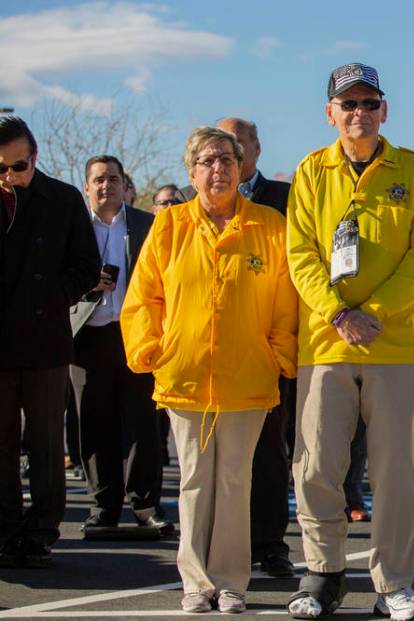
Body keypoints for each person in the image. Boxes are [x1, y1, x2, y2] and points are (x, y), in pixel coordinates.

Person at [121, 126, 298, 614]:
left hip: (249, 376)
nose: (217, 168)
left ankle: (231, 581)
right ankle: (195, 582)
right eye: (206, 160)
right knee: (195, 480)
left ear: (242, 167)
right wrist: (151, 350)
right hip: (185, 375)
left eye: (226, 159)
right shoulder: (170, 224)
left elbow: (286, 301)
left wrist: (280, 354)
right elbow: (143, 297)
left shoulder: (270, 224)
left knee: (235, 482)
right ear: (190, 171)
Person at [286, 63, 414, 621]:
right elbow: (299, 254)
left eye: (369, 103)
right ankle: (322, 575)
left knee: (395, 467)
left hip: (393, 345)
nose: (359, 113)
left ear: (385, 110)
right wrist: (338, 312)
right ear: (330, 113)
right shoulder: (310, 171)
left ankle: (394, 583)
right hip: (327, 344)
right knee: (318, 464)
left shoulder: (413, 170)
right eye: (347, 104)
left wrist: (371, 312)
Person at [0, 116, 101, 568]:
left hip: (44, 340)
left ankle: (41, 530)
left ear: (34, 158)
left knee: (44, 441)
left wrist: (53, 296)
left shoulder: (62, 199)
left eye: (17, 167)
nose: (8, 177)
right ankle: (4, 527)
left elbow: (86, 264)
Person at [70, 155, 172, 537]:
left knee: (143, 425)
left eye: (113, 179)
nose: (105, 186)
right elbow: (57, 276)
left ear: (124, 185)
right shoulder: (74, 227)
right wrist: (85, 283)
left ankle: (146, 505)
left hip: (136, 336)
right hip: (88, 335)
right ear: (87, 187)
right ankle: (103, 507)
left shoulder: (146, 224)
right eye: (98, 180)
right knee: (95, 426)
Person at [215, 116, 296, 579]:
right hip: (215, 351)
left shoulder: (285, 202)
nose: (230, 155)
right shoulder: (196, 208)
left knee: (268, 450)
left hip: (269, 348)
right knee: (216, 458)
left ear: (257, 149)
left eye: (238, 145)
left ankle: (269, 543)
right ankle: (223, 544)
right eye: (221, 146)